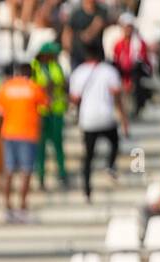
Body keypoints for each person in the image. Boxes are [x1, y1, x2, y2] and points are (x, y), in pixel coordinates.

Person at [69, 46, 127, 205]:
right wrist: (124, 120)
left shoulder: (79, 72)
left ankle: (87, 191)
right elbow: (117, 96)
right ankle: (110, 165)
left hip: (88, 119)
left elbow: (74, 98)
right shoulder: (109, 71)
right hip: (106, 117)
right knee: (115, 142)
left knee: (88, 157)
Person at [0, 62, 49, 223]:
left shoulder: (6, 87)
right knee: (26, 171)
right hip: (27, 133)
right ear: (31, 73)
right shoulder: (33, 87)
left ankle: (8, 208)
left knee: (9, 171)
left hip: (8, 133)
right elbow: (45, 106)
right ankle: (22, 208)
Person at [31, 43, 69, 192]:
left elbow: (62, 83)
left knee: (58, 142)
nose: (55, 56)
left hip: (56, 109)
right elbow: (34, 86)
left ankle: (62, 172)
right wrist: (46, 87)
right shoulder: (34, 67)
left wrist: (56, 85)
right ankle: (40, 176)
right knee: (41, 145)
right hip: (40, 111)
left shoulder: (56, 66)